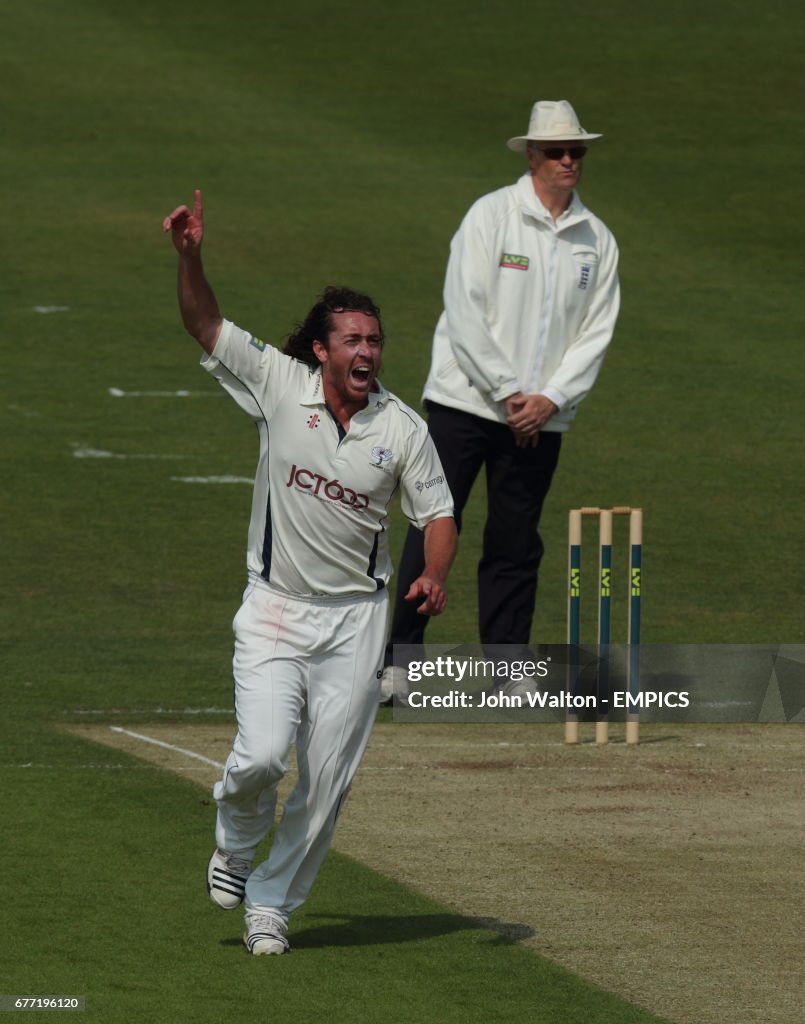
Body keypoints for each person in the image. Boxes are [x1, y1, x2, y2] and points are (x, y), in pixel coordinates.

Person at [163, 191, 456, 955]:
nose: (368, 352)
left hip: (355, 622)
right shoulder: (279, 383)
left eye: (376, 340)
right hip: (273, 607)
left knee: (326, 783)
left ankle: (271, 903)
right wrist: (190, 256)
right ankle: (234, 840)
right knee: (259, 757)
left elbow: (439, 516)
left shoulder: (402, 430)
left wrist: (433, 574)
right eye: (353, 340)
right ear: (321, 349)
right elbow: (204, 324)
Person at [382, 99, 619, 700]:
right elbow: (464, 312)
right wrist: (509, 392)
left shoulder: (596, 239)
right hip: (464, 405)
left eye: (578, 152)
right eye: (559, 152)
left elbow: (596, 331)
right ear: (533, 156)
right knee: (432, 524)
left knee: (517, 538)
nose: (570, 161)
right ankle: (399, 663)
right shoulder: (491, 216)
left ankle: (508, 664)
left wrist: (551, 398)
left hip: (541, 419)